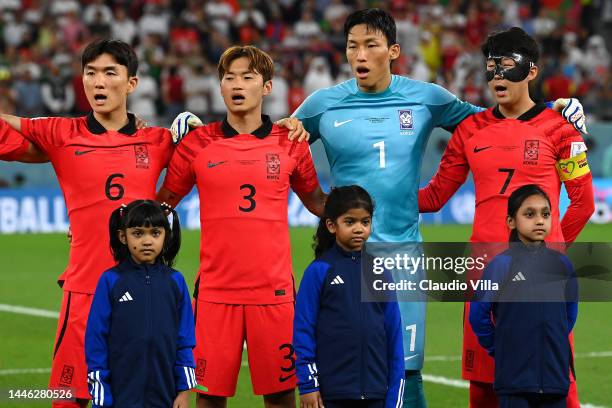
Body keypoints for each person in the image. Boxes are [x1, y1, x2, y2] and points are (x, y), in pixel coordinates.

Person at [171, 10, 586, 407]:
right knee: (343, 368)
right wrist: (201, 129)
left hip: (402, 257)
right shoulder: (322, 105)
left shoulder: (428, 98)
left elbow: (499, 119)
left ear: (392, 50)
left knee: (407, 373)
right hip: (341, 260)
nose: (359, 55)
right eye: (352, 46)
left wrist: (556, 112)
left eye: (370, 45)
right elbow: (268, 140)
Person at [418, 27, 594, 408]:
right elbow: (432, 197)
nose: (497, 76)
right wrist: (374, 198)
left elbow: (583, 204)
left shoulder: (561, 130)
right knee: (483, 390)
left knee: (559, 389)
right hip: (482, 274)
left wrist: (548, 257)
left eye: (507, 66)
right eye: (491, 67)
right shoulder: (469, 130)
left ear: (532, 71)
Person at [0, 39, 176, 407]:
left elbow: (206, 159)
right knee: (69, 399)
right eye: (90, 73)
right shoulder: (60, 133)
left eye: (110, 73)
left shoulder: (158, 141)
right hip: (84, 290)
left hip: (143, 289)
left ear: (132, 83)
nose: (98, 82)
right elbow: (7, 128)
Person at [157, 45, 326, 408]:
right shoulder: (197, 144)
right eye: (229, 78)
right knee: (209, 398)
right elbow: (160, 205)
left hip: (274, 294)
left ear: (266, 87)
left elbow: (320, 206)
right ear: (219, 87)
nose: (237, 84)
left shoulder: (291, 143)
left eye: (248, 77)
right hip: (216, 293)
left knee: (281, 397)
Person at [293, 185, 404, 408]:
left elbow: (394, 336)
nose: (359, 229)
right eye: (350, 222)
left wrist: (395, 396)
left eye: (365, 222)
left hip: (376, 394)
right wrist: (308, 385)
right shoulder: (319, 271)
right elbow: (303, 330)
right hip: (331, 394)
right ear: (332, 226)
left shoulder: (380, 271)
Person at [469, 184, 578, 408]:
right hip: (515, 382)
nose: (539, 220)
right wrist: (501, 347)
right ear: (511, 221)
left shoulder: (562, 265)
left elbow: (569, 314)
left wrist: (552, 343)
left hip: (554, 379)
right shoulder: (501, 266)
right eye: (529, 214)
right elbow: (478, 316)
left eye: (545, 214)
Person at [85, 200, 196, 408]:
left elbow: (185, 339)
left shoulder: (176, 281)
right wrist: (101, 396)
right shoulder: (110, 281)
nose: (147, 241)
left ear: (166, 235)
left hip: (165, 393)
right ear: (122, 237)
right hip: (120, 395)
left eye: (155, 233)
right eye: (138, 233)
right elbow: (96, 340)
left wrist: (183, 391)